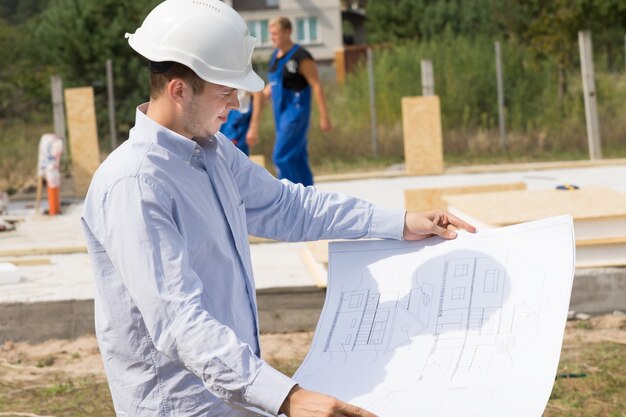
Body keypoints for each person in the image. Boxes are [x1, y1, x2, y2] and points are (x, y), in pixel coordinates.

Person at [80, 1, 476, 417]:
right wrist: (287, 397)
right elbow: (179, 322)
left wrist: (399, 223)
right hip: (179, 406)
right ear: (179, 90)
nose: (235, 102)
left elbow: (289, 206)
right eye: (224, 90)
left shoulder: (213, 154)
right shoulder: (135, 185)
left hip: (233, 393)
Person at [262, 16, 331, 186]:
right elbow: (272, 86)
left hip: (295, 112)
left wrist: (324, 116)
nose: (272, 37)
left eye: (276, 33)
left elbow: (316, 85)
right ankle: (311, 199)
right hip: (280, 112)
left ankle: (291, 199)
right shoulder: (275, 57)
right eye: (271, 34)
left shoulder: (301, 56)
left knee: (281, 156)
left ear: (288, 32)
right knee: (298, 157)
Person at [219, 90, 262, 156]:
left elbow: (258, 92)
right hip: (222, 112)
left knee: (235, 156)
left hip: (238, 116)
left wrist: (254, 125)